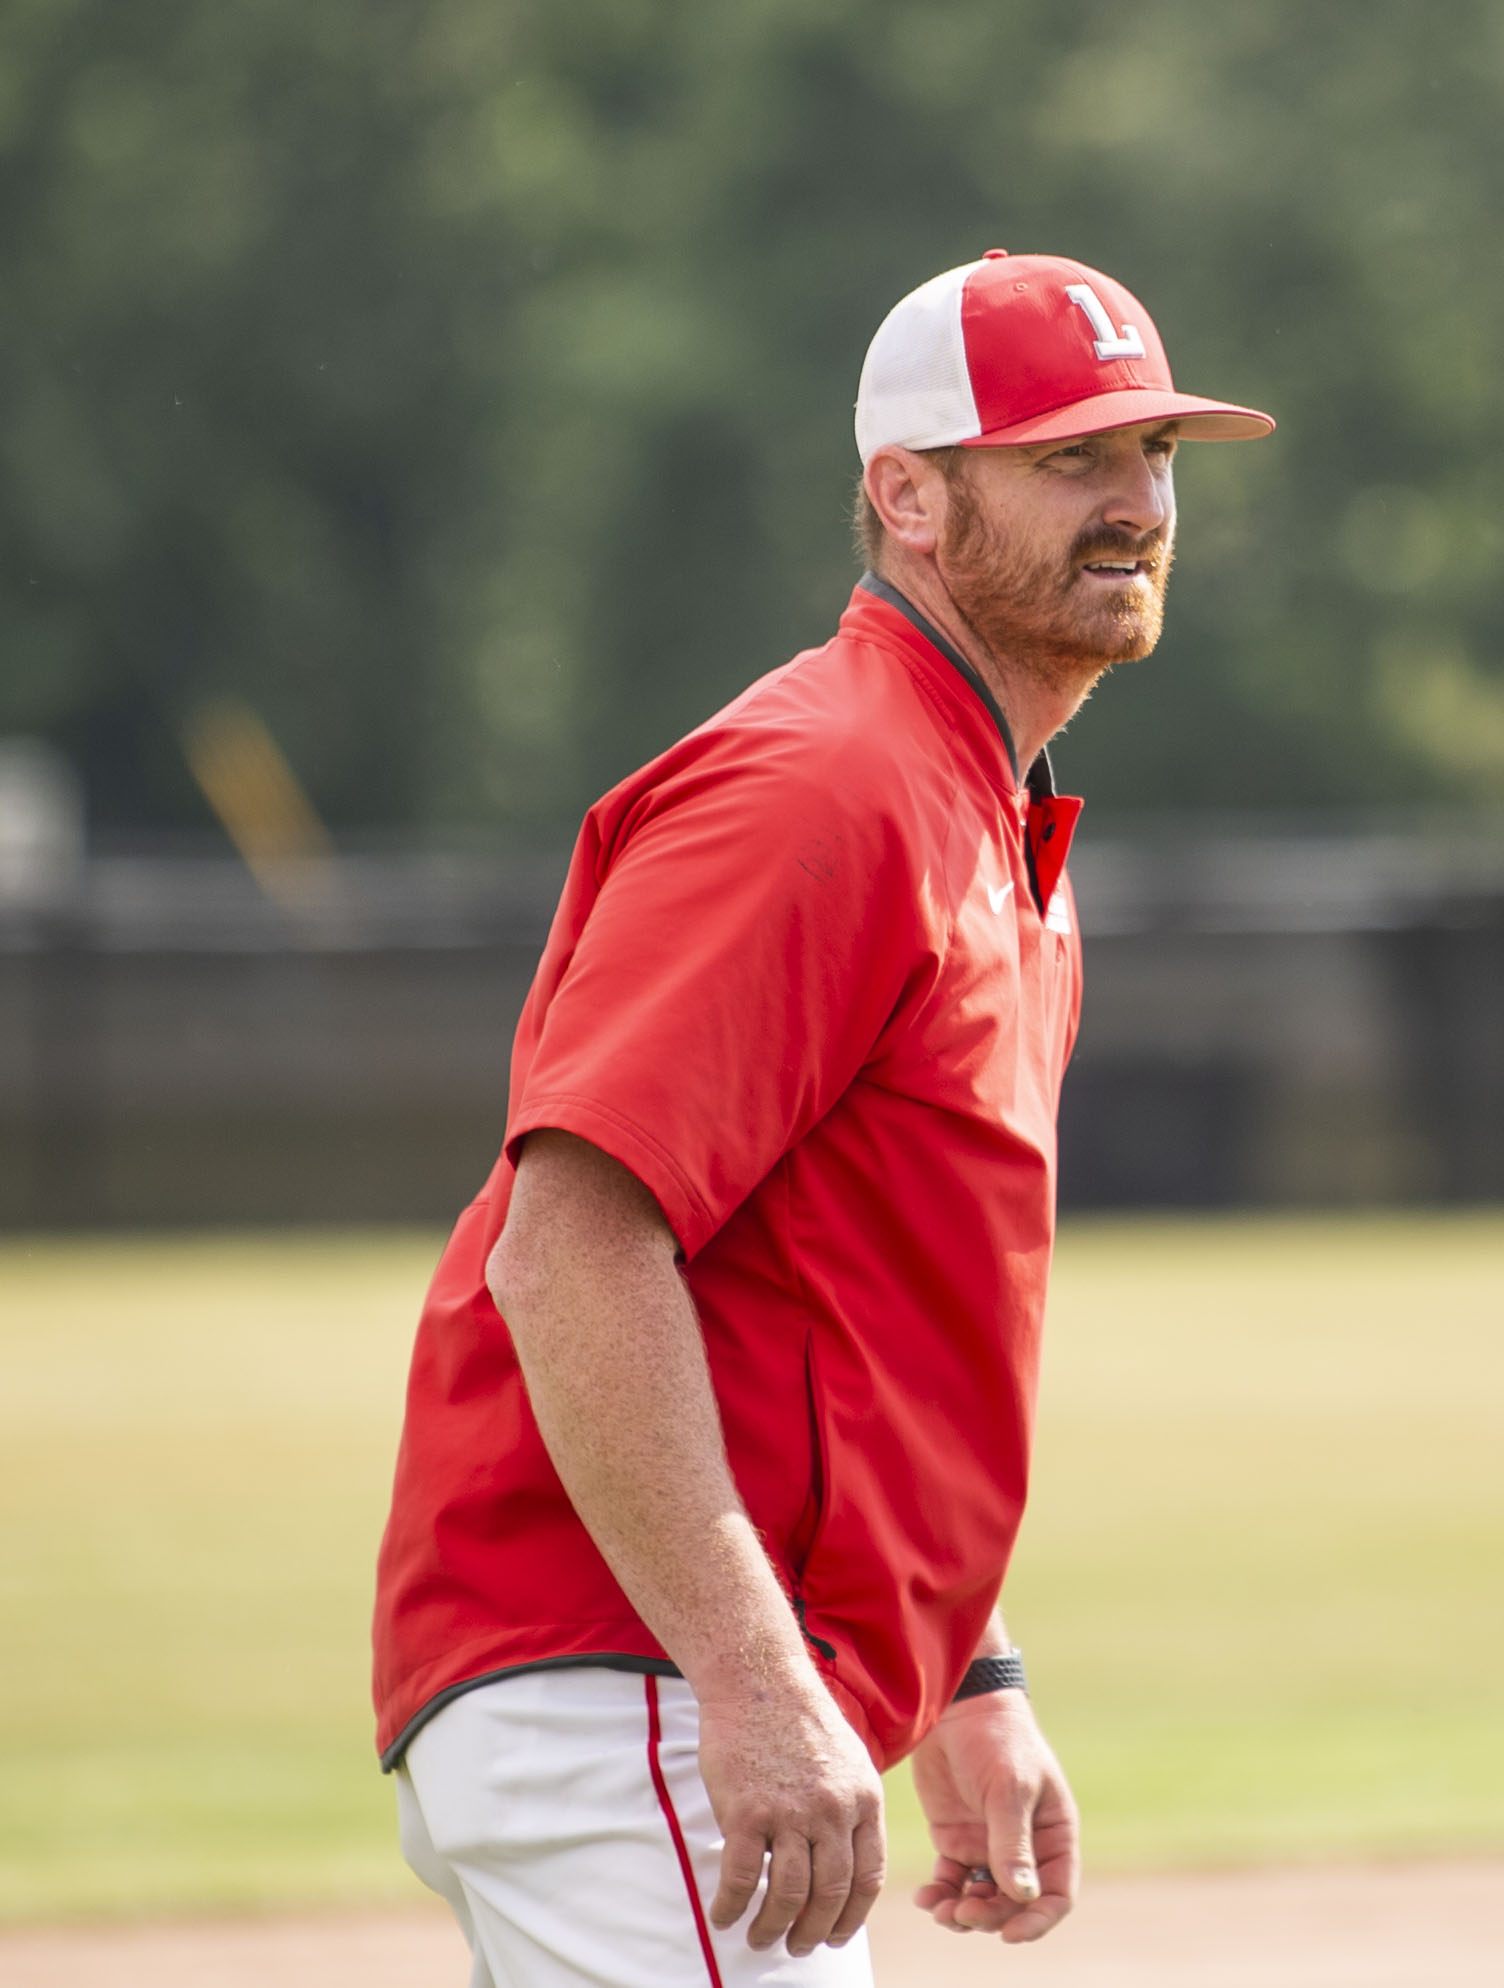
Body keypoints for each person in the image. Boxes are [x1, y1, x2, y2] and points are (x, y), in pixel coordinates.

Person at [370, 250, 1273, 1987]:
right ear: (907, 498)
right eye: (1069, 458)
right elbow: (569, 1245)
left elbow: (851, 1317)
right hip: (629, 1675)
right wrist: (754, 1675)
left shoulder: (975, 808)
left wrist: (965, 1676)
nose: (1138, 503)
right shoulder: (825, 783)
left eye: (1155, 454)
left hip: (664, 1682)